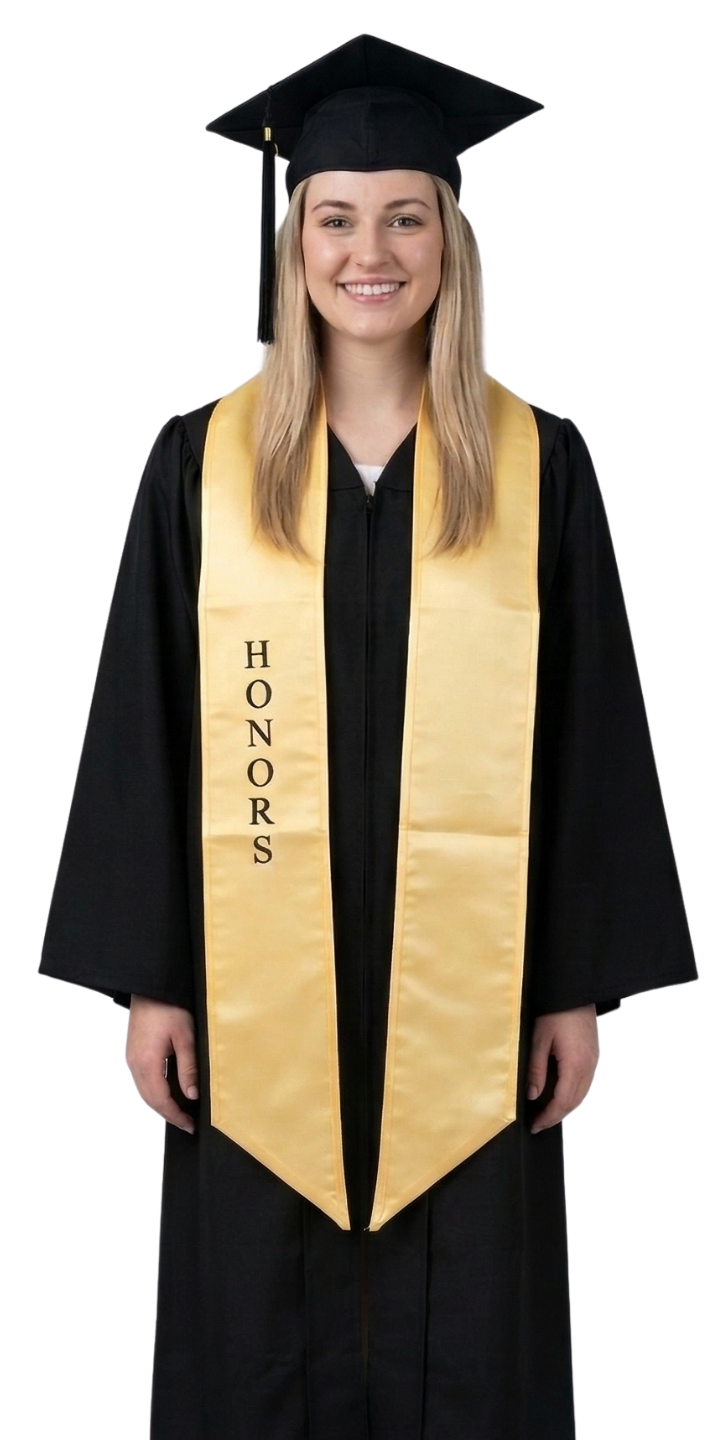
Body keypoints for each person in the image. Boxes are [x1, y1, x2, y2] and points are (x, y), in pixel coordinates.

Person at [37, 34, 697, 1440]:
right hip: (253, 985)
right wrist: (152, 980)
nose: (370, 253)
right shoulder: (201, 463)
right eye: (335, 218)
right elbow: (145, 723)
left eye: (406, 217)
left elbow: (590, 731)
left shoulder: (539, 463)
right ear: (293, 248)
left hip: (472, 988)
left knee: (471, 1334)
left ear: (452, 245)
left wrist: (573, 983)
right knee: (253, 1330)